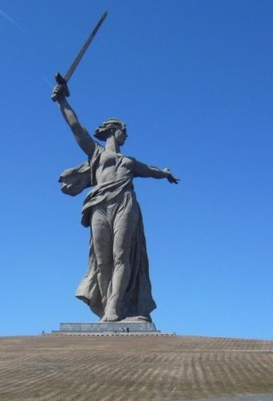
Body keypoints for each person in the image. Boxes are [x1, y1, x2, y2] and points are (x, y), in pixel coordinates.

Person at [52, 82, 179, 323]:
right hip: (100, 205)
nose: (127, 135)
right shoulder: (96, 153)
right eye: (124, 130)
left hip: (125, 203)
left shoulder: (130, 162)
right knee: (102, 261)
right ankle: (105, 307)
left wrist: (165, 173)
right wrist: (62, 101)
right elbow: (76, 127)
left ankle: (114, 308)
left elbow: (150, 170)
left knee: (122, 255)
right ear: (113, 130)